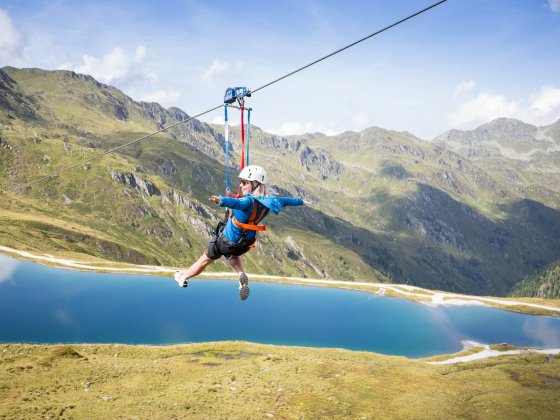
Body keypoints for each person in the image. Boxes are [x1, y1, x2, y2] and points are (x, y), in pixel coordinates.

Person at [174, 165, 305, 300]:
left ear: (254, 184)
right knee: (232, 255)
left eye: (244, 182)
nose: (241, 185)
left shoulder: (247, 201)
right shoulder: (270, 201)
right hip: (245, 243)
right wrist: (301, 201)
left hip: (226, 241)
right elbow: (287, 201)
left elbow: (237, 204)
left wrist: (222, 200)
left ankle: (182, 277)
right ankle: (241, 276)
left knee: (204, 260)